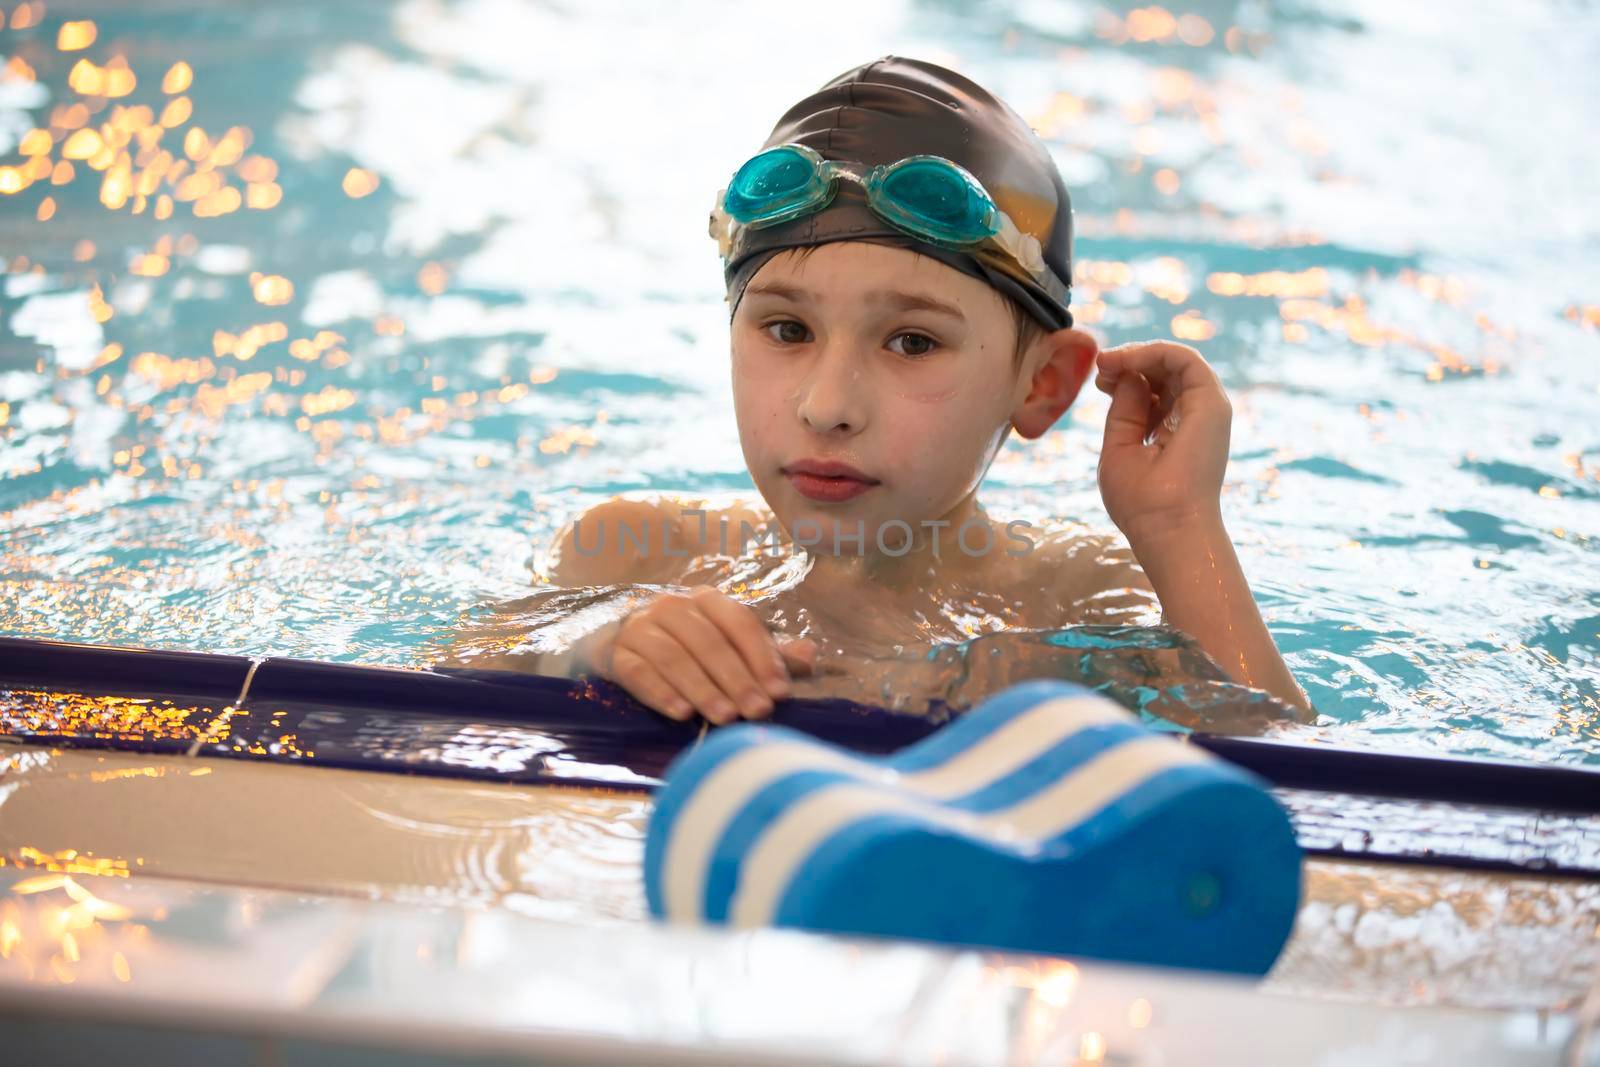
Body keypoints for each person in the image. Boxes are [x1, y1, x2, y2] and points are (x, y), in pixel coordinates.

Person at [535, 55, 1309, 724]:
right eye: (787, 331)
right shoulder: (631, 560)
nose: (827, 406)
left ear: (1042, 384)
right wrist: (590, 653)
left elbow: (1278, 769)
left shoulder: (1077, 599)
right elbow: (442, 701)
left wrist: (1177, 525)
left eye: (913, 342)